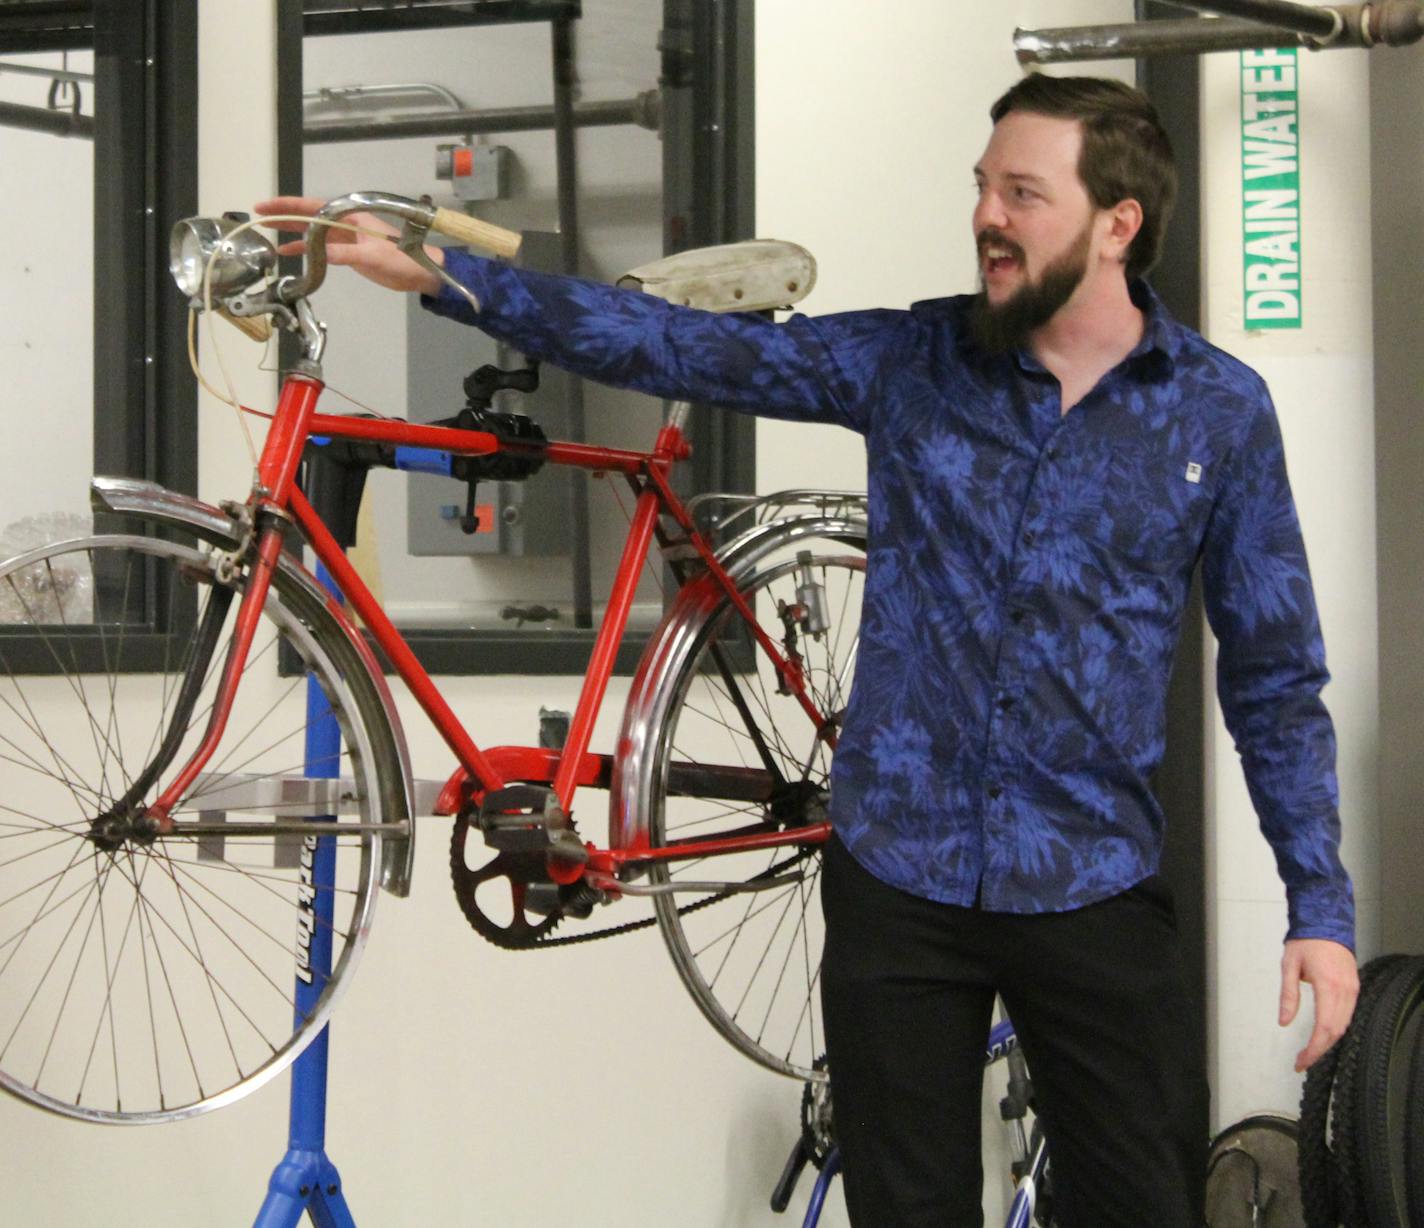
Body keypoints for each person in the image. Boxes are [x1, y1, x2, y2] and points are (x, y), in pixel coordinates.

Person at [258, 73, 1359, 1228]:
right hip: (898, 884)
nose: (987, 214)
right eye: (982, 187)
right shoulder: (914, 359)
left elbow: (1273, 676)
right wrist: (446, 272)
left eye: (1022, 193)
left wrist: (1318, 911)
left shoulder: (1216, 413)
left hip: (1094, 887)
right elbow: (679, 347)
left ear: (1115, 223)